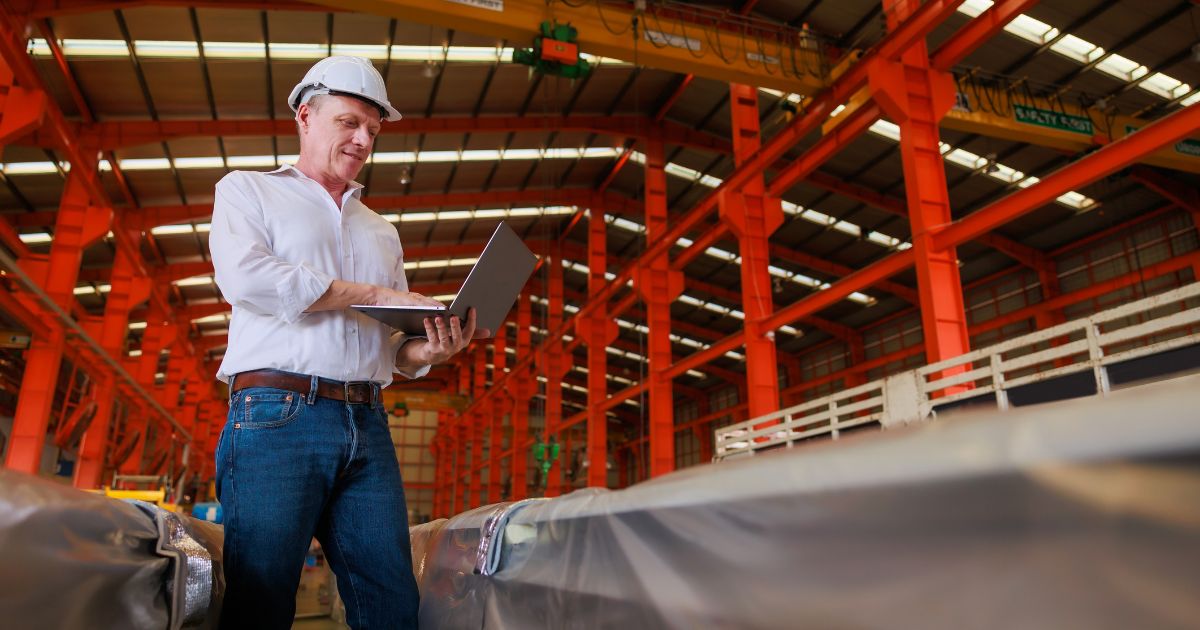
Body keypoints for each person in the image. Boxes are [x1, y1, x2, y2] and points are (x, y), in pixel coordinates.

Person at [208, 55, 485, 629]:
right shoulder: (248, 192)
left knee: (390, 604)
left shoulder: (380, 230)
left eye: (373, 131)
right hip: (276, 417)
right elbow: (247, 279)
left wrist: (428, 351)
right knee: (260, 601)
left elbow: (390, 346)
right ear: (306, 116)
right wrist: (366, 292)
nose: (362, 140)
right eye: (348, 123)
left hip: (369, 423)